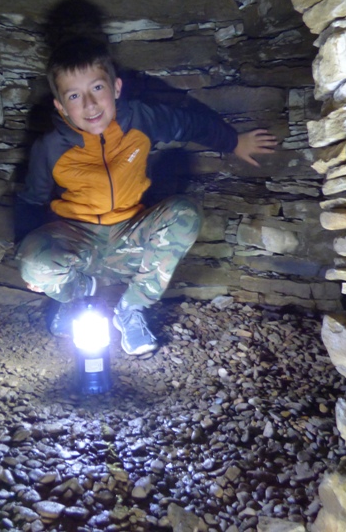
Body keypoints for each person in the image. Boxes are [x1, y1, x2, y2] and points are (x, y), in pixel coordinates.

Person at [15, 36, 277, 355]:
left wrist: (233, 142)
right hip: (77, 240)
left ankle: (130, 309)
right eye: (74, 95)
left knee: (185, 213)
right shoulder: (51, 148)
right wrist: (28, 263)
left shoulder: (140, 120)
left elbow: (188, 124)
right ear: (60, 106)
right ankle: (77, 298)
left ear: (116, 89)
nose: (89, 104)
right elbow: (30, 201)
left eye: (97, 88)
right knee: (33, 263)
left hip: (130, 235)